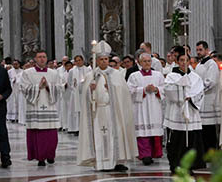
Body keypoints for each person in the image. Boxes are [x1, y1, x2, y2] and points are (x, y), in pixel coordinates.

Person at [77, 41, 138, 172]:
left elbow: (124, 93)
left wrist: (111, 88)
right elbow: (83, 94)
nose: (104, 61)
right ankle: (101, 163)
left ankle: (118, 161)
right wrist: (89, 89)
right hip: (98, 111)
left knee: (116, 135)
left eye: (106, 59)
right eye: (101, 59)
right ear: (97, 60)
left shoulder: (116, 74)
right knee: (100, 136)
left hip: (114, 111)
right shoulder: (91, 75)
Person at [19, 50, 62, 166]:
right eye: (39, 57)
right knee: (38, 133)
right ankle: (40, 157)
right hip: (35, 106)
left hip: (49, 105)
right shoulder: (28, 73)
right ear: (35, 59)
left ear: (47, 58)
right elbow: (23, 88)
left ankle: (51, 155)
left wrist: (48, 86)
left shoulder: (54, 73)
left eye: (44, 57)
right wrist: (38, 87)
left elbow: (59, 88)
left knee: (51, 135)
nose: (42, 59)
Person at [163, 54, 205, 172]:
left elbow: (200, 92)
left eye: (187, 60)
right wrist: (181, 89)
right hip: (176, 113)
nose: (184, 63)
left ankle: (188, 165)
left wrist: (191, 97)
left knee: (191, 140)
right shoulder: (171, 76)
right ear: (177, 61)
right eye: (181, 60)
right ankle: (175, 164)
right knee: (176, 140)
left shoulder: (195, 77)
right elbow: (168, 90)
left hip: (191, 113)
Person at [127, 52, 165, 165]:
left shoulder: (158, 75)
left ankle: (156, 153)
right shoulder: (134, 76)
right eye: (144, 61)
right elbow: (129, 91)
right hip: (141, 108)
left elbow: (165, 89)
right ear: (139, 62)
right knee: (143, 132)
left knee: (155, 131)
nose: (147, 63)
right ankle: (145, 155)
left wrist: (157, 90)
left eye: (149, 61)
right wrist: (143, 90)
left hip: (155, 107)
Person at [194, 40, 221, 163]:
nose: (198, 52)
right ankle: (204, 152)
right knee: (203, 130)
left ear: (206, 50)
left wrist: (198, 88)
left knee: (209, 130)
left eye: (200, 50)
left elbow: (211, 81)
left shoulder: (211, 64)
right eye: (197, 50)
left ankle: (212, 153)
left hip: (209, 100)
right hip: (201, 100)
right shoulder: (199, 64)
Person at [66, 55, 91, 133]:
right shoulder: (72, 71)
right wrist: (74, 89)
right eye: (76, 61)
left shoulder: (88, 70)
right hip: (75, 94)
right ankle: (75, 128)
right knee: (75, 111)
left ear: (83, 61)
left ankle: (85, 128)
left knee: (84, 110)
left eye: (79, 60)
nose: (78, 62)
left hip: (85, 93)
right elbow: (69, 82)